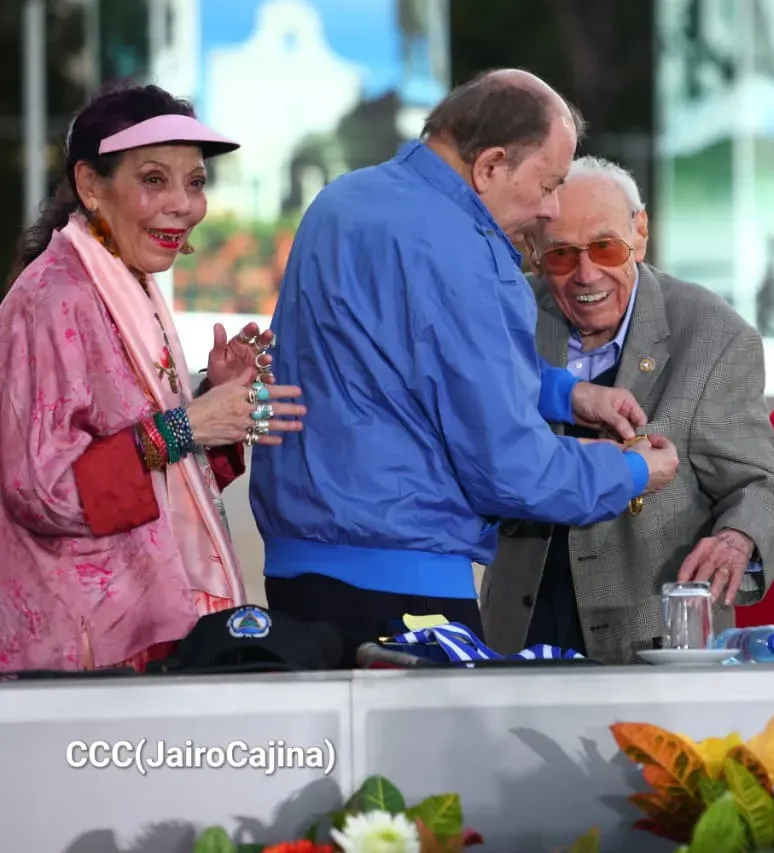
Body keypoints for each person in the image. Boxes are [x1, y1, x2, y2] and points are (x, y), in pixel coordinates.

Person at [250, 70, 680, 663]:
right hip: (406, 586)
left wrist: (564, 395)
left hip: (298, 574)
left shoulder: (342, 200)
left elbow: (399, 366)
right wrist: (631, 473)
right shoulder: (467, 250)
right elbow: (512, 469)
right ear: (491, 166)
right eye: (549, 183)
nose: (551, 208)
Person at [0, 83, 305, 673]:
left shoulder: (125, 283)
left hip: (140, 632)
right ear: (91, 186)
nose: (184, 205)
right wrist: (186, 425)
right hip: (78, 655)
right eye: (154, 179)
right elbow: (43, 491)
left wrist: (209, 403)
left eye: (195, 183)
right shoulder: (55, 297)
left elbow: (157, 479)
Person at [481, 157, 774, 663]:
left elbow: (765, 488)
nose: (587, 274)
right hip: (519, 628)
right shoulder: (506, 317)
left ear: (641, 231)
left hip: (656, 642)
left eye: (606, 247)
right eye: (562, 254)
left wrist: (738, 540)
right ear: (532, 252)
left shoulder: (714, 335)